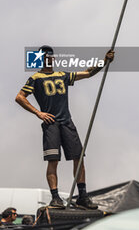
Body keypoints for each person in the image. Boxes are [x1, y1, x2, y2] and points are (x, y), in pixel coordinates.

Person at [15, 46, 114, 209]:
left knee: (79, 158)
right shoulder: (36, 78)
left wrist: (104, 61)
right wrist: (38, 113)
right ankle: (55, 197)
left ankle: (82, 195)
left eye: (51, 56)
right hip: (51, 124)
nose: (49, 59)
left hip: (67, 122)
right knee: (53, 160)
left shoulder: (62, 75)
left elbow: (88, 73)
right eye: (45, 56)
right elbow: (20, 97)